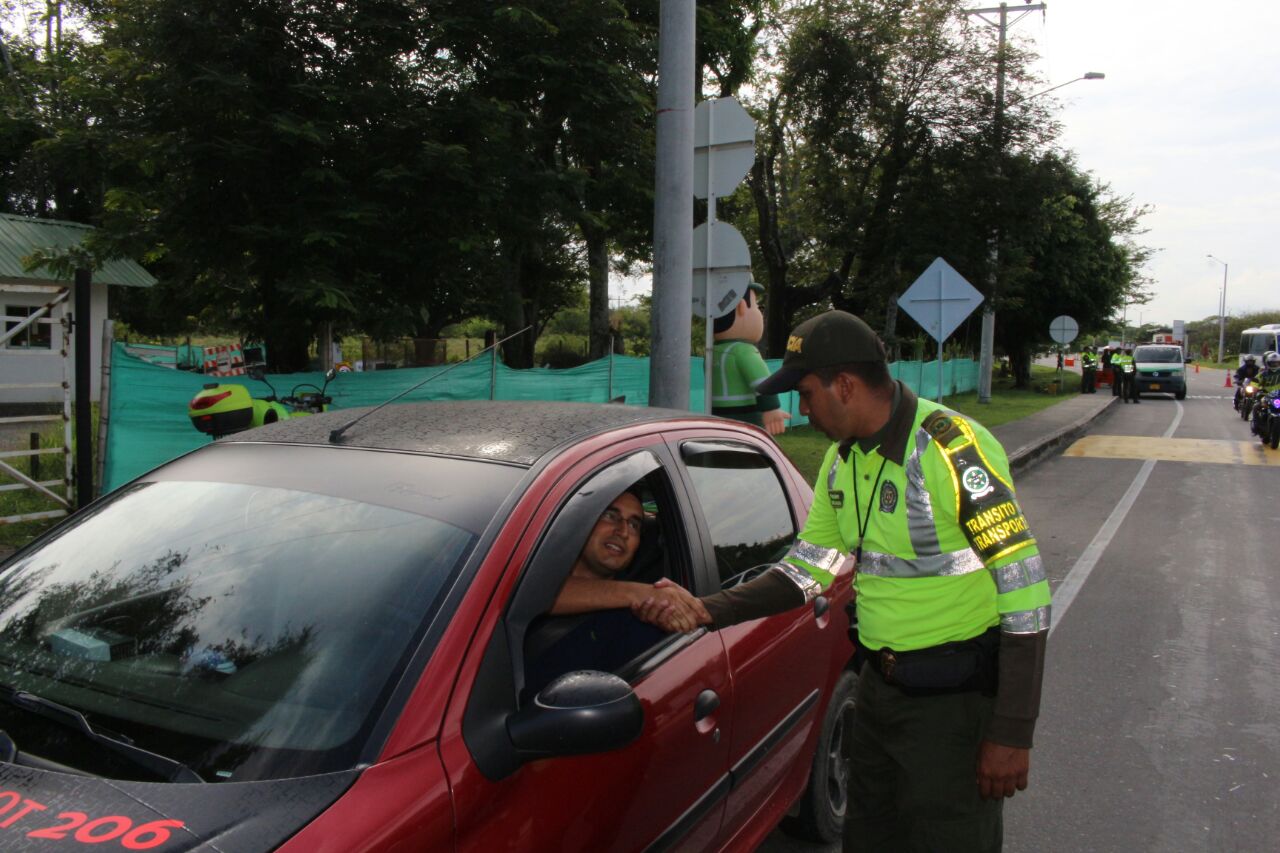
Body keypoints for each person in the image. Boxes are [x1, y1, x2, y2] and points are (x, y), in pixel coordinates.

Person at [636, 310, 1049, 853]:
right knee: (869, 837)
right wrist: (710, 608)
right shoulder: (841, 460)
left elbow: (1026, 594)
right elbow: (806, 569)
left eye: (806, 393)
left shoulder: (952, 450)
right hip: (879, 693)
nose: (800, 409)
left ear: (846, 386)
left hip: (953, 705)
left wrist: (1011, 733)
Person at [711, 281, 791, 435]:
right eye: (756, 306)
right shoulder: (744, 351)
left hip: (717, 415)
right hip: (747, 417)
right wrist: (771, 409)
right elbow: (763, 383)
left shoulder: (712, 351)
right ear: (741, 307)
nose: (760, 314)